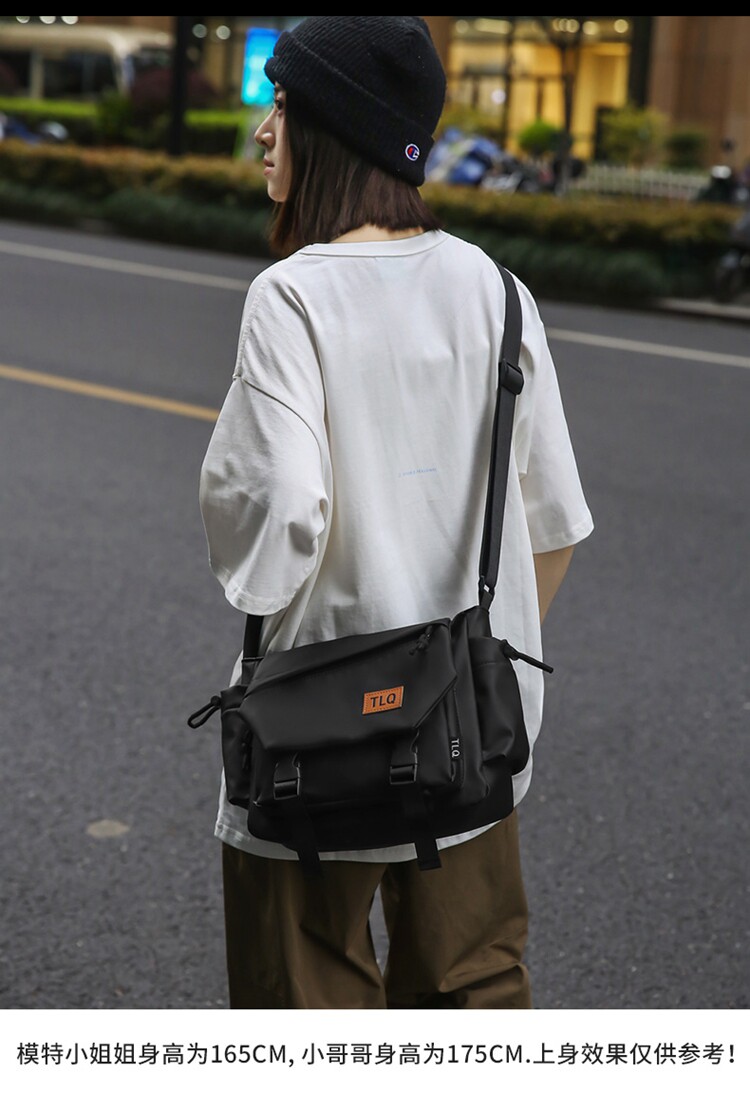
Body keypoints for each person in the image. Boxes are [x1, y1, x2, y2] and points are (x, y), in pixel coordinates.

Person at [198, 16, 593, 1010]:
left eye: (280, 106)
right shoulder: (499, 292)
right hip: (469, 732)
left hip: (312, 736)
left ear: (336, 128)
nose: (263, 131)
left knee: (307, 1007)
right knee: (471, 997)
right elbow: (551, 528)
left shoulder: (291, 297)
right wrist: (469, 664)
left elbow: (272, 532)